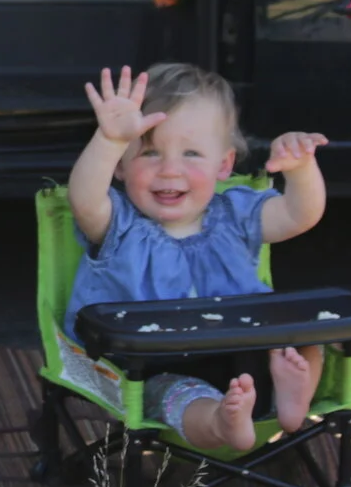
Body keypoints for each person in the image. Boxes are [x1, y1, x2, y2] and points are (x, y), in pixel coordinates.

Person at [63, 63, 329, 454]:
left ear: (224, 165)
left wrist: (302, 169)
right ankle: (221, 423)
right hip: (154, 365)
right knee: (181, 397)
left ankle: (292, 396)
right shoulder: (119, 225)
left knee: (309, 340)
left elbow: (298, 215)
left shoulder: (237, 215)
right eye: (150, 152)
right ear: (120, 165)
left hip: (248, 348)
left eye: (191, 153)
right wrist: (109, 139)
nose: (170, 170)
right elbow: (83, 199)